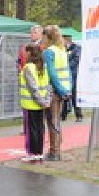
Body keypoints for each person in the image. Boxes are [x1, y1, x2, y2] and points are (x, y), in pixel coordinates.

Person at [42, 25, 71, 161]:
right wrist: (67, 89)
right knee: (57, 119)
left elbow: (52, 73)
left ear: (48, 37)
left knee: (52, 121)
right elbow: (68, 71)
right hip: (64, 88)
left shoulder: (49, 52)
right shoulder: (62, 50)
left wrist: (59, 89)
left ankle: (54, 152)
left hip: (54, 90)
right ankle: (56, 148)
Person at [19, 44, 51, 163]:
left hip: (31, 103)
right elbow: (48, 85)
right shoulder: (43, 66)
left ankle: (32, 152)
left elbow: (33, 88)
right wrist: (46, 101)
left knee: (31, 129)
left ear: (29, 53)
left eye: (25, 52)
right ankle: (39, 152)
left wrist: (41, 101)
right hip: (41, 103)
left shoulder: (28, 67)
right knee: (39, 128)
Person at [62, 34, 83, 122]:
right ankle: (63, 115)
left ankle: (79, 115)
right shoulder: (62, 49)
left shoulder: (76, 48)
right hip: (64, 75)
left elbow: (76, 60)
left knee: (74, 95)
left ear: (67, 40)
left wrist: (66, 67)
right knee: (64, 94)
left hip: (73, 75)